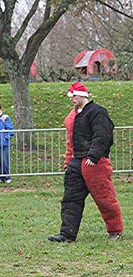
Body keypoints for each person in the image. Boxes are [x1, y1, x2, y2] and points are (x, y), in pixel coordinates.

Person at [48, 82, 123, 243]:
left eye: (73, 96)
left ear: (82, 95)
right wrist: (68, 162)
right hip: (76, 162)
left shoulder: (97, 112)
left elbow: (103, 135)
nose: (71, 99)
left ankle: (115, 230)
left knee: (104, 197)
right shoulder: (72, 116)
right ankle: (67, 234)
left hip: (95, 163)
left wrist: (93, 156)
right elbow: (70, 141)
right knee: (70, 198)